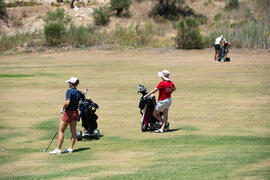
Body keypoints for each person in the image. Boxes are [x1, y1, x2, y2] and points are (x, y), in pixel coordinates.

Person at [49, 77, 86, 155]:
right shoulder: (78, 92)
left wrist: (62, 108)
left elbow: (67, 102)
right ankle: (70, 148)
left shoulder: (69, 91)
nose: (68, 83)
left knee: (61, 130)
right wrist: (83, 93)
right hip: (75, 113)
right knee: (73, 132)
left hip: (68, 113)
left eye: (69, 82)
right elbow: (83, 99)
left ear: (71, 83)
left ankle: (58, 149)